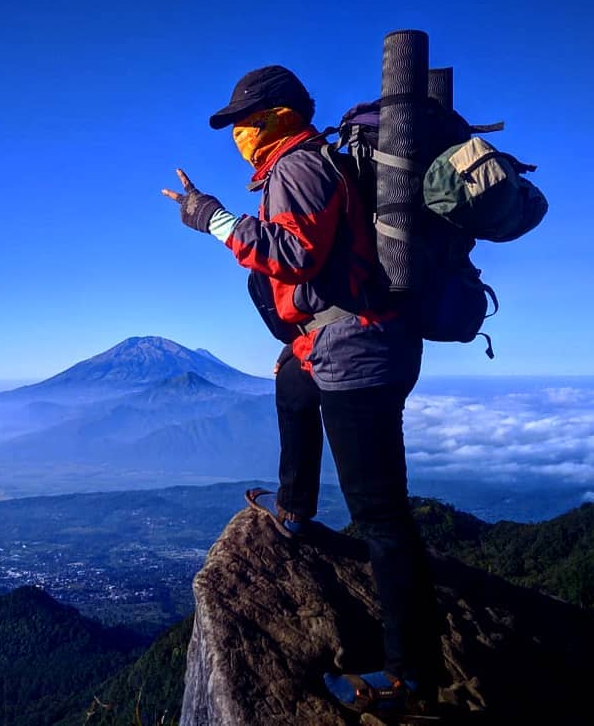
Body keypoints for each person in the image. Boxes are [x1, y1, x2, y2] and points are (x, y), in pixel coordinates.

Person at [162, 65, 443, 712]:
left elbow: (293, 256)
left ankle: (410, 678)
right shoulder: (302, 163)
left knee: (381, 515)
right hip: (342, 338)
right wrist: (301, 339)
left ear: (275, 116)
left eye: (243, 120)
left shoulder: (298, 166)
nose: (237, 133)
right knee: (292, 382)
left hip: (361, 352)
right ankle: (294, 507)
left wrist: (212, 218)